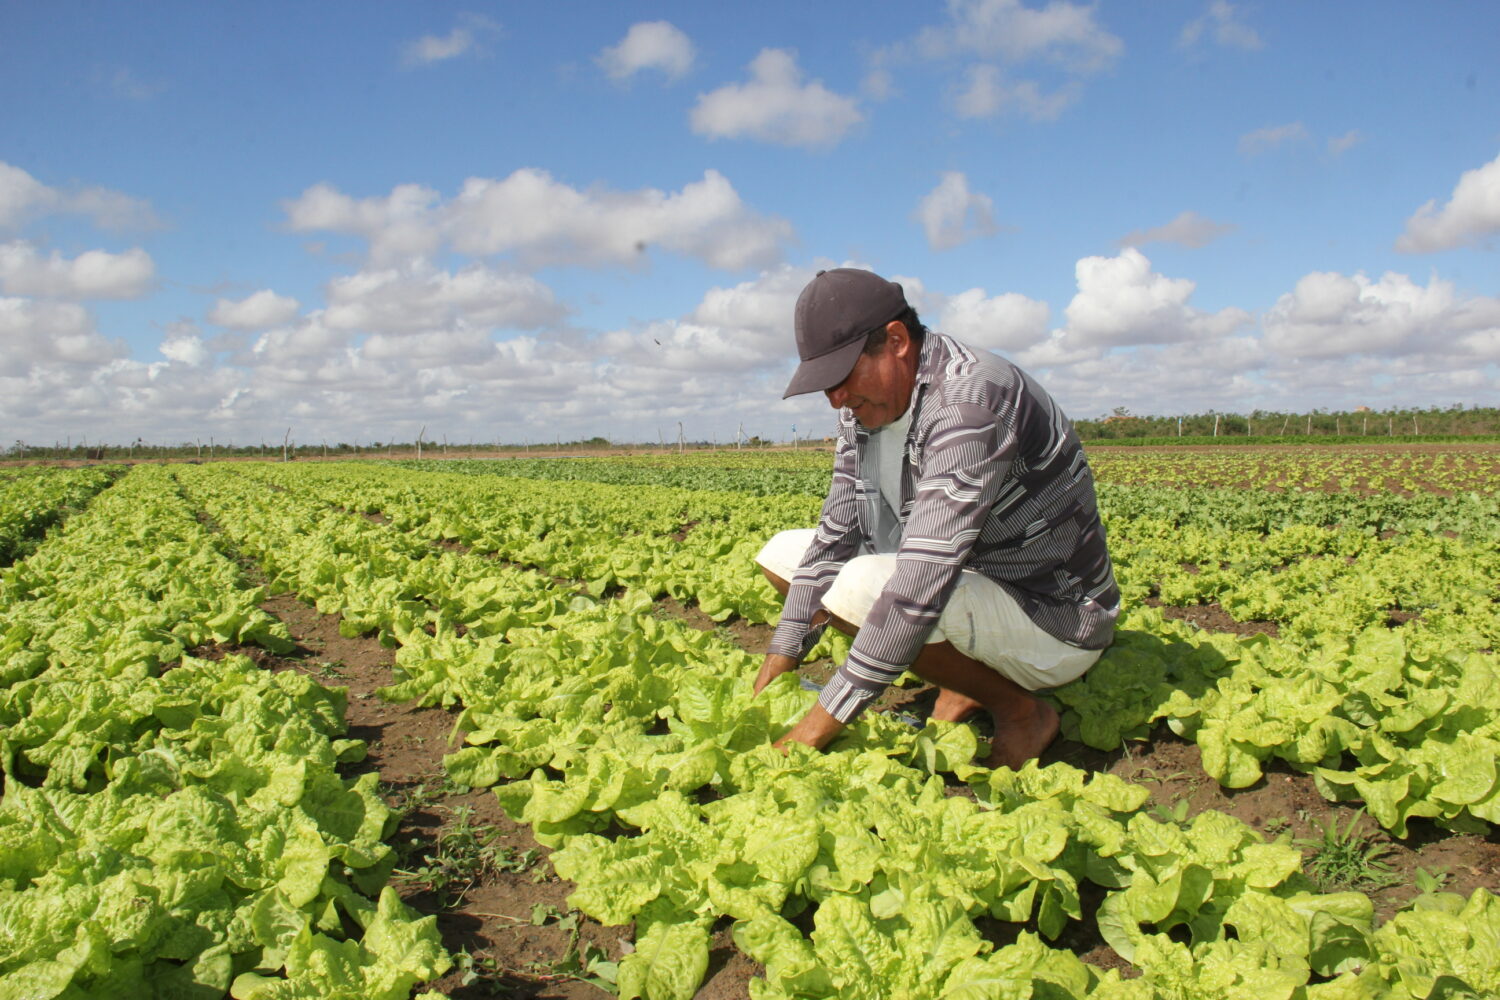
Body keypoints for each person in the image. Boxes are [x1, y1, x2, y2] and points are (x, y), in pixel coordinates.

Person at [754, 267, 1119, 769]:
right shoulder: (862, 407)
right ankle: (965, 681)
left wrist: (810, 734)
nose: (835, 398)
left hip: (1052, 615)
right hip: (967, 586)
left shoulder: (971, 400)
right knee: (783, 554)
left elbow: (917, 586)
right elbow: (837, 532)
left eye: (840, 377)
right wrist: (777, 667)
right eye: (826, 385)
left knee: (866, 585)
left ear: (897, 341)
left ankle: (1020, 711)